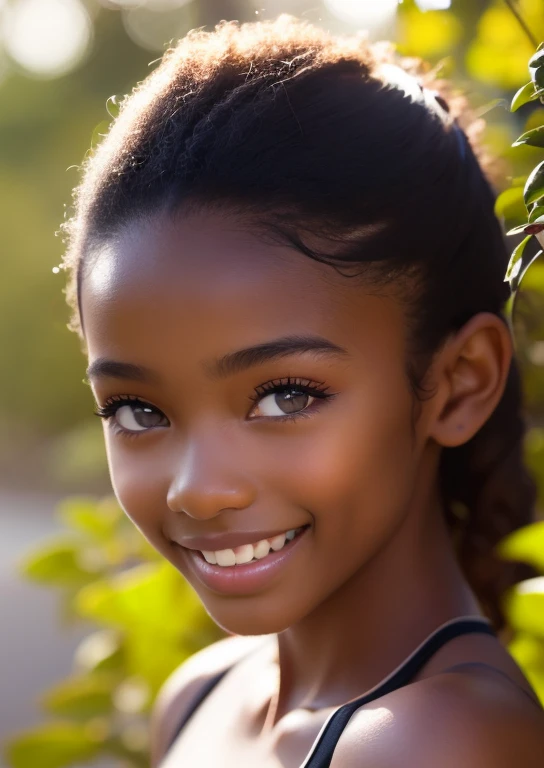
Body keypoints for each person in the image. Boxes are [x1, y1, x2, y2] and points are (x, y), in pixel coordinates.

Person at [61, 15, 544, 767]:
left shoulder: (443, 742)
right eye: (139, 411)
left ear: (457, 384)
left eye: (285, 396)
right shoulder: (196, 700)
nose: (199, 490)